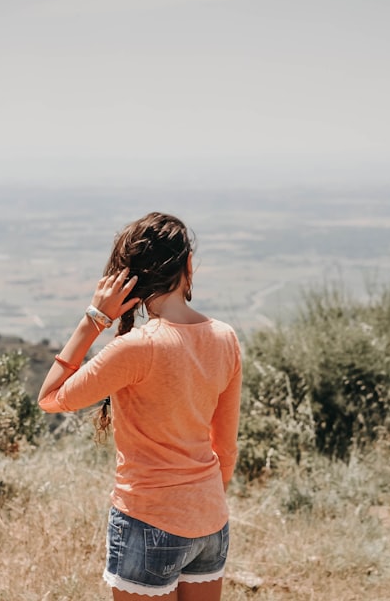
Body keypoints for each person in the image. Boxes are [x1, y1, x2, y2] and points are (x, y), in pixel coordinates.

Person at [38, 212, 243, 600]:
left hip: (149, 519)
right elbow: (226, 446)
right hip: (210, 521)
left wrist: (94, 319)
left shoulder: (137, 348)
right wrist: (202, 503)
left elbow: (50, 398)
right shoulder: (225, 338)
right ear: (187, 266)